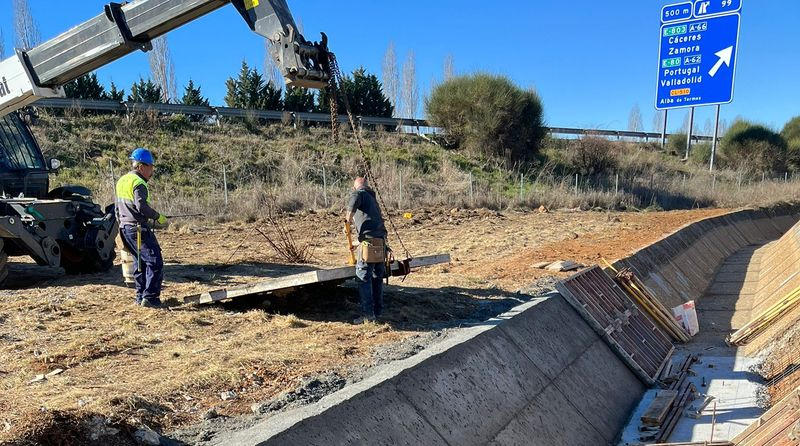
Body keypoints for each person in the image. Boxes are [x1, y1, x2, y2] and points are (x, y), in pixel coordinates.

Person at [115, 148, 168, 308]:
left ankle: (140, 297)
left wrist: (122, 224)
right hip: (138, 229)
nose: (152, 171)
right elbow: (141, 207)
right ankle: (150, 298)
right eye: (150, 167)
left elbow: (117, 207)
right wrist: (157, 216)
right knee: (155, 262)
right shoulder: (139, 183)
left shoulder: (123, 180)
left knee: (140, 263)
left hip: (125, 228)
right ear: (141, 166)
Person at [344, 177, 388, 324]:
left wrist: (347, 224)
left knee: (363, 278)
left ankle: (368, 315)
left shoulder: (359, 193)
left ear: (355, 187)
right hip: (380, 244)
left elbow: (350, 213)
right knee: (377, 278)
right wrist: (357, 243)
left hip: (369, 245)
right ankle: (377, 312)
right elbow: (372, 229)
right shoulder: (372, 199)